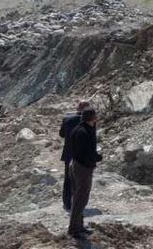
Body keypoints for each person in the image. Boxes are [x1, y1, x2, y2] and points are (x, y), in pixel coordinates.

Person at [68, 107, 103, 240]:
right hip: (83, 168)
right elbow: (87, 152)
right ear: (93, 118)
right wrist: (97, 158)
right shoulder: (84, 132)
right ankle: (73, 230)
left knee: (78, 198)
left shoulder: (78, 129)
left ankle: (79, 226)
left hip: (75, 164)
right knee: (80, 200)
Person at [59, 100, 91, 212]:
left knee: (68, 179)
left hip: (68, 154)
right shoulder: (89, 121)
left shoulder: (67, 119)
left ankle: (67, 203)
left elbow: (62, 134)